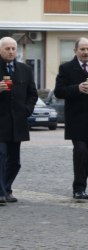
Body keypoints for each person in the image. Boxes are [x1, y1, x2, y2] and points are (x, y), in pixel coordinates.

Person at [54, 37, 88, 200]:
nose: (86, 52)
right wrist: (77, 88)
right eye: (82, 49)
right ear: (75, 51)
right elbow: (59, 91)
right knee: (80, 150)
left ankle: (82, 186)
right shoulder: (66, 68)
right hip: (76, 119)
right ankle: (78, 188)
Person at [0, 37, 38, 203]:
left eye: (13, 48)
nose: (10, 51)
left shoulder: (24, 69)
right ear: (0, 50)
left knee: (14, 162)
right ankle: (1, 193)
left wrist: (26, 111)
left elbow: (32, 94)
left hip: (17, 122)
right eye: (7, 48)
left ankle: (6, 188)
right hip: (0, 122)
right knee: (1, 157)